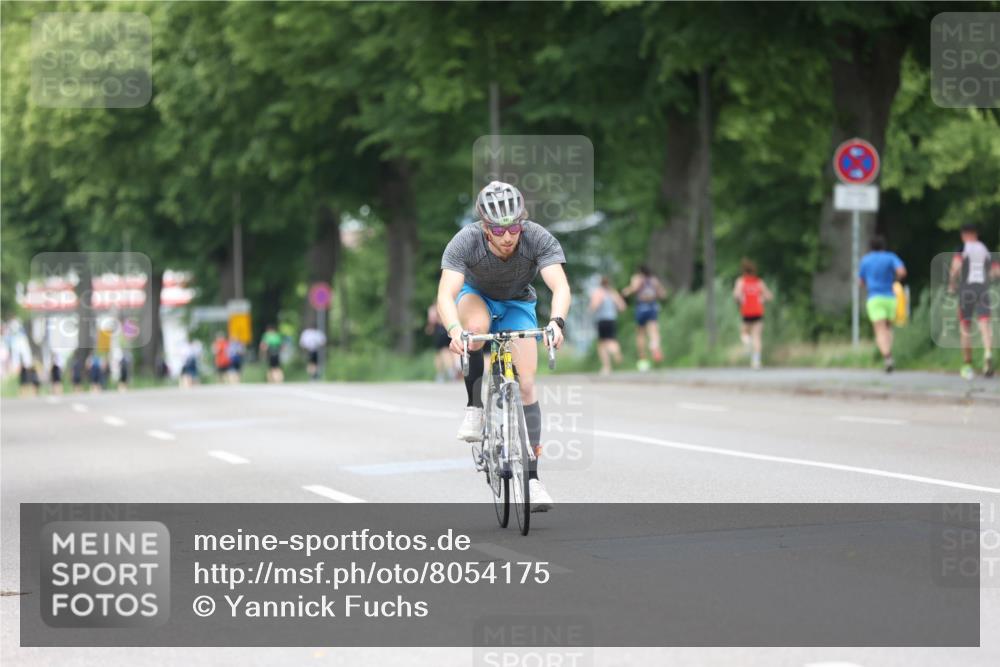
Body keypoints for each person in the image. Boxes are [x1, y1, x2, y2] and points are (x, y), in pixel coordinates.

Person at [437, 181, 570, 513]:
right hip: (476, 298)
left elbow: (560, 285)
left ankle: (534, 480)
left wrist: (556, 322)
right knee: (477, 330)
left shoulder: (537, 237)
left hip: (517, 305)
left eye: (514, 226)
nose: (508, 235)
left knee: (526, 386)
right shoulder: (465, 241)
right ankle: (474, 408)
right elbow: (445, 293)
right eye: (499, 228)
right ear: (485, 227)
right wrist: (454, 330)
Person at [948, 223, 999, 379]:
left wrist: (952, 284)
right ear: (976, 234)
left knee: (965, 326)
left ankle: (968, 365)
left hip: (966, 290)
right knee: (985, 324)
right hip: (982, 289)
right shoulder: (984, 249)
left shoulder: (962, 248)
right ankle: (988, 353)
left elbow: (956, 267)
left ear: (964, 235)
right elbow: (996, 272)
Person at [858, 235, 907, 373]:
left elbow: (860, 282)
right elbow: (902, 272)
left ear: (870, 247)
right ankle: (888, 353)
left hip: (875, 298)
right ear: (883, 246)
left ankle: (887, 357)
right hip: (890, 297)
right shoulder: (890, 257)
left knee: (879, 330)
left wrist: (868, 283)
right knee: (887, 328)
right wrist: (894, 280)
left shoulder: (865, 260)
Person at [621, 265, 666, 371]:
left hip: (641, 308)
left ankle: (643, 361)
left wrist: (625, 292)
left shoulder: (637, 278)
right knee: (654, 330)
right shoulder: (654, 280)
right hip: (652, 307)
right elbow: (662, 294)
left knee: (641, 334)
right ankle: (654, 346)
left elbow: (633, 289)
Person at [732, 259, 773, 370]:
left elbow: (736, 296)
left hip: (747, 312)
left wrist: (740, 300)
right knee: (757, 337)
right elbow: (769, 296)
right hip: (758, 312)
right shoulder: (759, 282)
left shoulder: (741, 282)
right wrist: (762, 299)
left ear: (744, 271)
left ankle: (748, 344)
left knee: (744, 333)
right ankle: (756, 361)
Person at [589, 276, 625, 375]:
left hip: (602, 320)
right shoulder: (613, 293)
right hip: (612, 319)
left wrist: (595, 306)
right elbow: (622, 307)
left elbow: (593, 307)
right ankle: (616, 352)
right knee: (612, 339)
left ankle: (606, 367)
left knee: (602, 344)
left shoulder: (598, 292)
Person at [426, 303, 457, 382]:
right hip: (449, 328)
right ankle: (451, 370)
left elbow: (432, 321)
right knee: (450, 351)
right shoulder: (450, 306)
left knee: (441, 353)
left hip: (440, 329)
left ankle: (444, 373)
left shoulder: (433, 308)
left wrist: (430, 328)